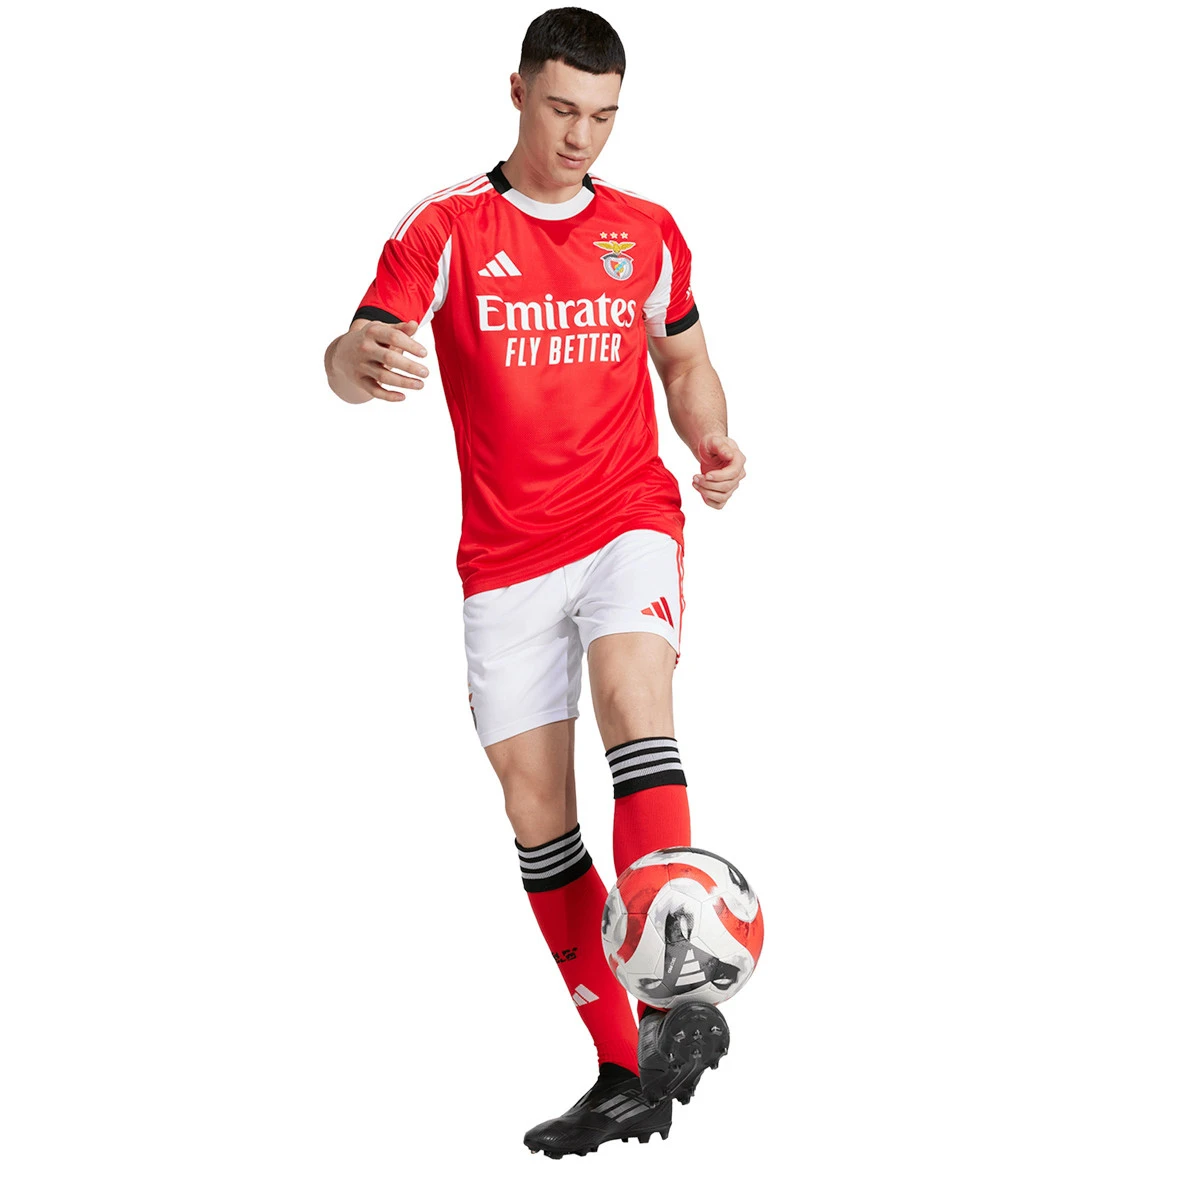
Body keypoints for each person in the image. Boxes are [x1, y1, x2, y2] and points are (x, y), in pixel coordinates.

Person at [322, 6, 746, 1158]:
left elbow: (686, 359)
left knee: (634, 702)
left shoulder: (646, 231)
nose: (580, 138)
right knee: (536, 815)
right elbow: (356, 350)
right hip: (505, 556)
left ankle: (675, 997)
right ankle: (626, 1067)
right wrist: (355, 363)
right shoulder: (449, 226)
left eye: (604, 117)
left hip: (624, 518)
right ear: (516, 92)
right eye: (562, 109)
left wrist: (710, 440)